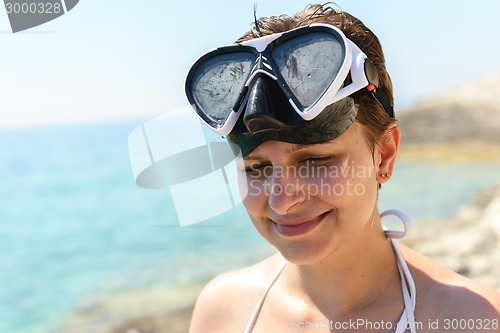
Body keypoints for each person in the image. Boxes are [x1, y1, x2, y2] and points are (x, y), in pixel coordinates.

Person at [185, 4, 500, 332]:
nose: (281, 202)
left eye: (315, 161)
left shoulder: (473, 319)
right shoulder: (221, 311)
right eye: (256, 168)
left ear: (385, 154)